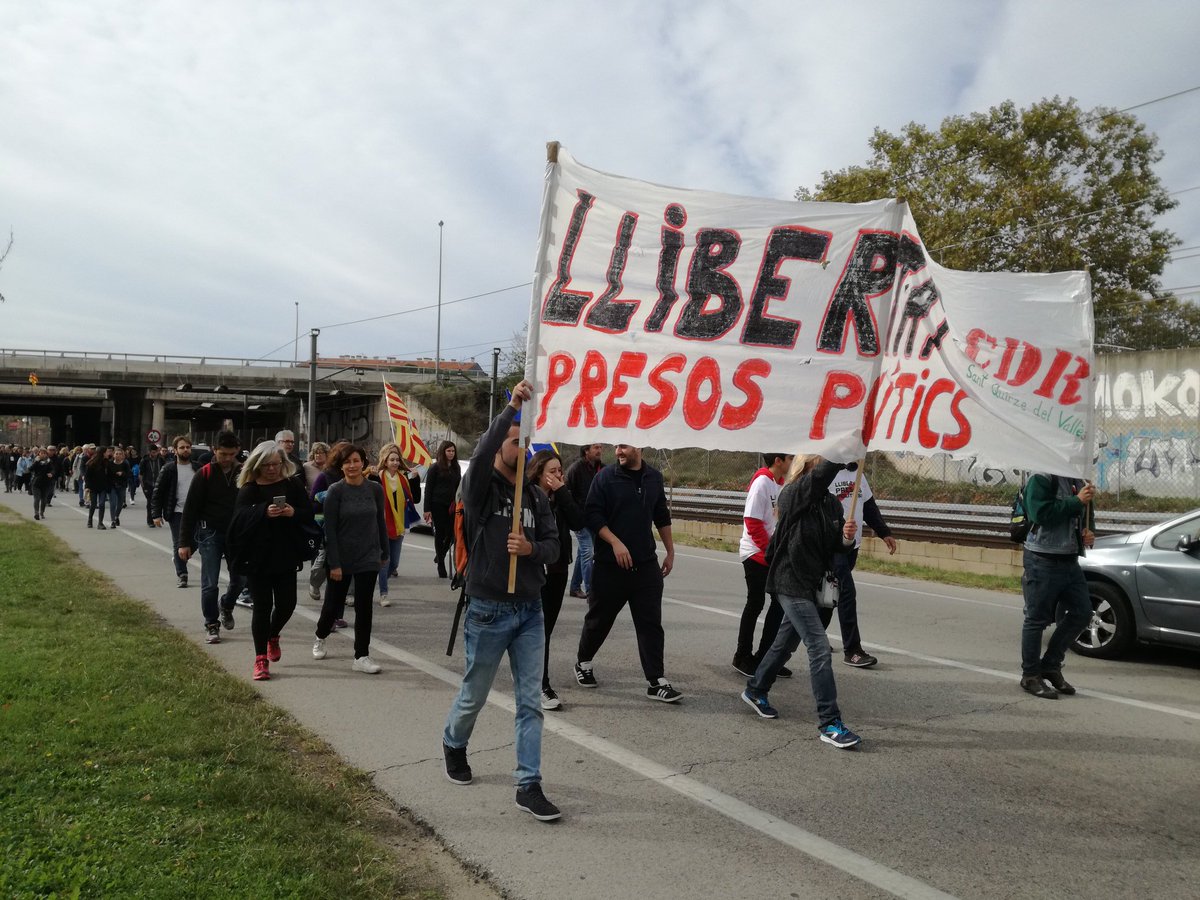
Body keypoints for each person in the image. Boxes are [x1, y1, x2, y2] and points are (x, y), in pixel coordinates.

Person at [442, 381, 562, 822]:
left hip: (530, 610)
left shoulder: (533, 496)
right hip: (488, 609)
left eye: (526, 440)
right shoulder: (479, 489)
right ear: (500, 448)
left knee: (530, 701)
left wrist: (532, 551)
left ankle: (528, 783)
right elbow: (488, 443)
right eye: (517, 441)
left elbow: (555, 547)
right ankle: (454, 742)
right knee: (474, 694)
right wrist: (511, 407)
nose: (523, 447)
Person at [741, 455, 862, 749]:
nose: (827, 474)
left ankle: (756, 689)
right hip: (788, 579)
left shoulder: (831, 504)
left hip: (812, 584)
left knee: (785, 643)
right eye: (820, 466)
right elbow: (818, 479)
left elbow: (833, 547)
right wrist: (839, 452)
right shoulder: (793, 494)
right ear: (808, 467)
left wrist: (845, 539)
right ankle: (829, 722)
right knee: (819, 646)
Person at [574, 443, 681, 703]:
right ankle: (583, 662)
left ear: (639, 447)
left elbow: (661, 515)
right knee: (599, 620)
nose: (618, 451)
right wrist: (615, 542)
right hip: (610, 566)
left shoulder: (653, 477)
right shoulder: (605, 478)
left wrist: (670, 551)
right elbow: (593, 515)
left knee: (650, 623)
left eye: (624, 446)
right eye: (617, 446)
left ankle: (656, 680)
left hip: (645, 565)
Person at [228, 440, 315, 681]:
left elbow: (309, 512)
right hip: (258, 558)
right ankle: (260, 660)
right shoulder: (249, 488)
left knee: (287, 604)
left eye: (276, 464)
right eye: (267, 465)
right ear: (256, 464)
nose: (272, 469)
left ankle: (273, 635)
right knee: (262, 607)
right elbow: (238, 520)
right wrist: (263, 511)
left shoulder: (293, 484)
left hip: (286, 554)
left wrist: (293, 512)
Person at [311, 444, 389, 673]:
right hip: (341, 558)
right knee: (332, 606)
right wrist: (334, 563)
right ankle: (320, 635)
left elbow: (380, 522)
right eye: (347, 462)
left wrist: (384, 551)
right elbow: (330, 530)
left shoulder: (375, 489)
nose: (352, 465)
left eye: (356, 460)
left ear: (363, 463)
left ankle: (361, 656)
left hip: (368, 556)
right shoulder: (335, 491)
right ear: (341, 465)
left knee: (364, 608)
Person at [1018, 473, 1096, 699]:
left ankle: (1050, 666)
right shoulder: (1041, 478)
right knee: (1037, 619)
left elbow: (1086, 514)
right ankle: (1030, 675)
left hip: (1069, 559)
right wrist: (1076, 501)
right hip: (1043, 559)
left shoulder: (1079, 480)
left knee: (1082, 613)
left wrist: (1089, 532)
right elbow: (1040, 514)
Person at [527, 449, 584, 711]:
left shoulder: (562, 497)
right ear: (538, 472)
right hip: (533, 570)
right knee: (536, 630)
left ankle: (534, 677)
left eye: (560, 471)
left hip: (558, 570)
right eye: (552, 471)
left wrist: (561, 491)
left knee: (545, 629)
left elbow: (578, 522)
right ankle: (541, 685)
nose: (557, 475)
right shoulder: (526, 496)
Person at [178, 431, 247, 644]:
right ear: (214, 450)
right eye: (223, 454)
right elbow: (190, 510)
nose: (227, 458)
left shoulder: (243, 472)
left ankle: (226, 605)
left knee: (241, 579)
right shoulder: (204, 474)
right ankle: (211, 623)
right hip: (210, 534)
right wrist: (184, 542)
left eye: (231, 454)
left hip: (237, 534)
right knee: (210, 582)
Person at [826, 465, 898, 667]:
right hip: (834, 545)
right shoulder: (829, 472)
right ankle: (853, 650)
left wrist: (884, 532)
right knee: (846, 591)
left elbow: (868, 507)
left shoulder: (858, 473)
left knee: (831, 594)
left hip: (852, 545)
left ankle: (814, 635)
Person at [732, 452, 794, 678]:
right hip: (756, 554)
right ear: (778, 460)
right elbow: (752, 523)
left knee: (779, 603)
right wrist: (770, 552)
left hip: (771, 554)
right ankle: (742, 656)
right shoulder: (761, 482)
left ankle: (767, 656)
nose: (793, 462)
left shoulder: (778, 484)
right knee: (755, 603)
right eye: (790, 458)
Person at [369, 443, 422, 607]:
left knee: (394, 564)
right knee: (385, 561)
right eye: (392, 460)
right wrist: (370, 476)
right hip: (382, 525)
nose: (395, 463)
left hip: (399, 525)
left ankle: (379, 578)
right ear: (385, 461)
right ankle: (384, 594)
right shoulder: (377, 477)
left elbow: (416, 499)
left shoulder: (404, 478)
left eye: (397, 460)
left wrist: (415, 479)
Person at [308, 441, 350, 619]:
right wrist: (329, 497)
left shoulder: (355, 475)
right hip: (327, 526)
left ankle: (336, 614)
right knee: (326, 564)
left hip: (349, 529)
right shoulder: (325, 476)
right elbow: (313, 502)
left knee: (343, 572)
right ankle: (315, 583)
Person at [152, 435, 201, 587]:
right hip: (176, 512)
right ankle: (182, 574)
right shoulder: (169, 469)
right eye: (182, 447)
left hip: (196, 512)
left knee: (198, 540)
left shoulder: (198, 468)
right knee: (179, 543)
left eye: (188, 447)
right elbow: (158, 492)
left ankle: (179, 558)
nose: (185, 450)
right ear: (175, 450)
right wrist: (156, 515)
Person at [564, 443, 603, 599]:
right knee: (588, 552)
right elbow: (566, 494)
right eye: (596, 448)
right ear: (587, 451)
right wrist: (575, 514)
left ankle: (574, 587)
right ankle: (591, 591)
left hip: (595, 519)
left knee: (583, 553)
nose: (600, 451)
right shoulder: (575, 469)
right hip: (580, 520)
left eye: (600, 447)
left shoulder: (602, 469)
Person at [424, 440, 461, 578]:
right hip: (437, 504)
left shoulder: (456, 467)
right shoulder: (435, 468)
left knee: (452, 533)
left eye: (453, 451)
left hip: (452, 505)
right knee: (439, 534)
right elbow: (428, 489)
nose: (451, 453)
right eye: (448, 451)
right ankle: (441, 564)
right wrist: (427, 509)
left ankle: (441, 554)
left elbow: (459, 487)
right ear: (443, 452)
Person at [84, 446, 112, 529]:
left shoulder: (107, 462)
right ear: (103, 453)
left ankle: (100, 523)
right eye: (107, 452)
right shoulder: (92, 463)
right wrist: (87, 486)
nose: (109, 453)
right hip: (93, 487)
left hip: (103, 487)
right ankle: (90, 520)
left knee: (102, 504)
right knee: (93, 504)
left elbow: (109, 475)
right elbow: (87, 476)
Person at [140, 444, 166, 526]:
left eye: (156, 452)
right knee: (150, 502)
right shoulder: (145, 460)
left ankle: (158, 518)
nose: (154, 454)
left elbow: (165, 471)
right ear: (149, 452)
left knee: (159, 502)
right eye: (153, 452)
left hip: (159, 484)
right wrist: (143, 485)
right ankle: (150, 521)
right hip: (148, 484)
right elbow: (141, 474)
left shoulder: (161, 460)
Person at [107, 446, 132, 527]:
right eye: (116, 454)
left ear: (123, 455)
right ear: (114, 455)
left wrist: (123, 474)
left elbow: (129, 474)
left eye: (120, 454)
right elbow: (107, 474)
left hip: (122, 486)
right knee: (113, 503)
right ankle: (113, 521)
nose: (118, 455)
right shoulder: (110, 463)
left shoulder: (125, 463)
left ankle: (116, 516)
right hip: (112, 486)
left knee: (120, 504)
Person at [29, 447, 55, 520]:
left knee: (44, 499)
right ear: (39, 454)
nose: (43, 455)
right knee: (37, 498)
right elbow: (31, 469)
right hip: (36, 482)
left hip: (46, 483)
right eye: (41, 453)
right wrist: (36, 461)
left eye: (44, 453)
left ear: (46, 454)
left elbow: (53, 469)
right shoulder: (36, 461)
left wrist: (51, 474)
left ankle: (42, 512)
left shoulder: (49, 461)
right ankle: (36, 513)